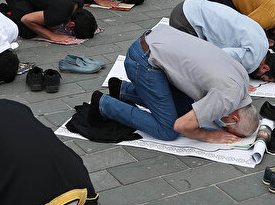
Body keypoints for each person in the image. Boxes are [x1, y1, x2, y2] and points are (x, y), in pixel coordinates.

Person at [91, 24, 260, 143]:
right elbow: (181, 126)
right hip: (142, 59)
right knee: (168, 130)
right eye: (227, 128)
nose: (223, 129)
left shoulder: (243, 81)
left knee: (187, 110)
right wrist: (208, 135)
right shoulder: (227, 98)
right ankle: (104, 104)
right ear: (234, 118)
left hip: (155, 41)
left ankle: (122, 90)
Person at [168, 0, 275, 82]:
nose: (260, 78)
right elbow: (219, 56)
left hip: (191, 6)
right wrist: (239, 84)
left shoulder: (263, 40)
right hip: (186, 21)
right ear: (265, 68)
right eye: (263, 78)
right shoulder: (252, 59)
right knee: (192, 69)